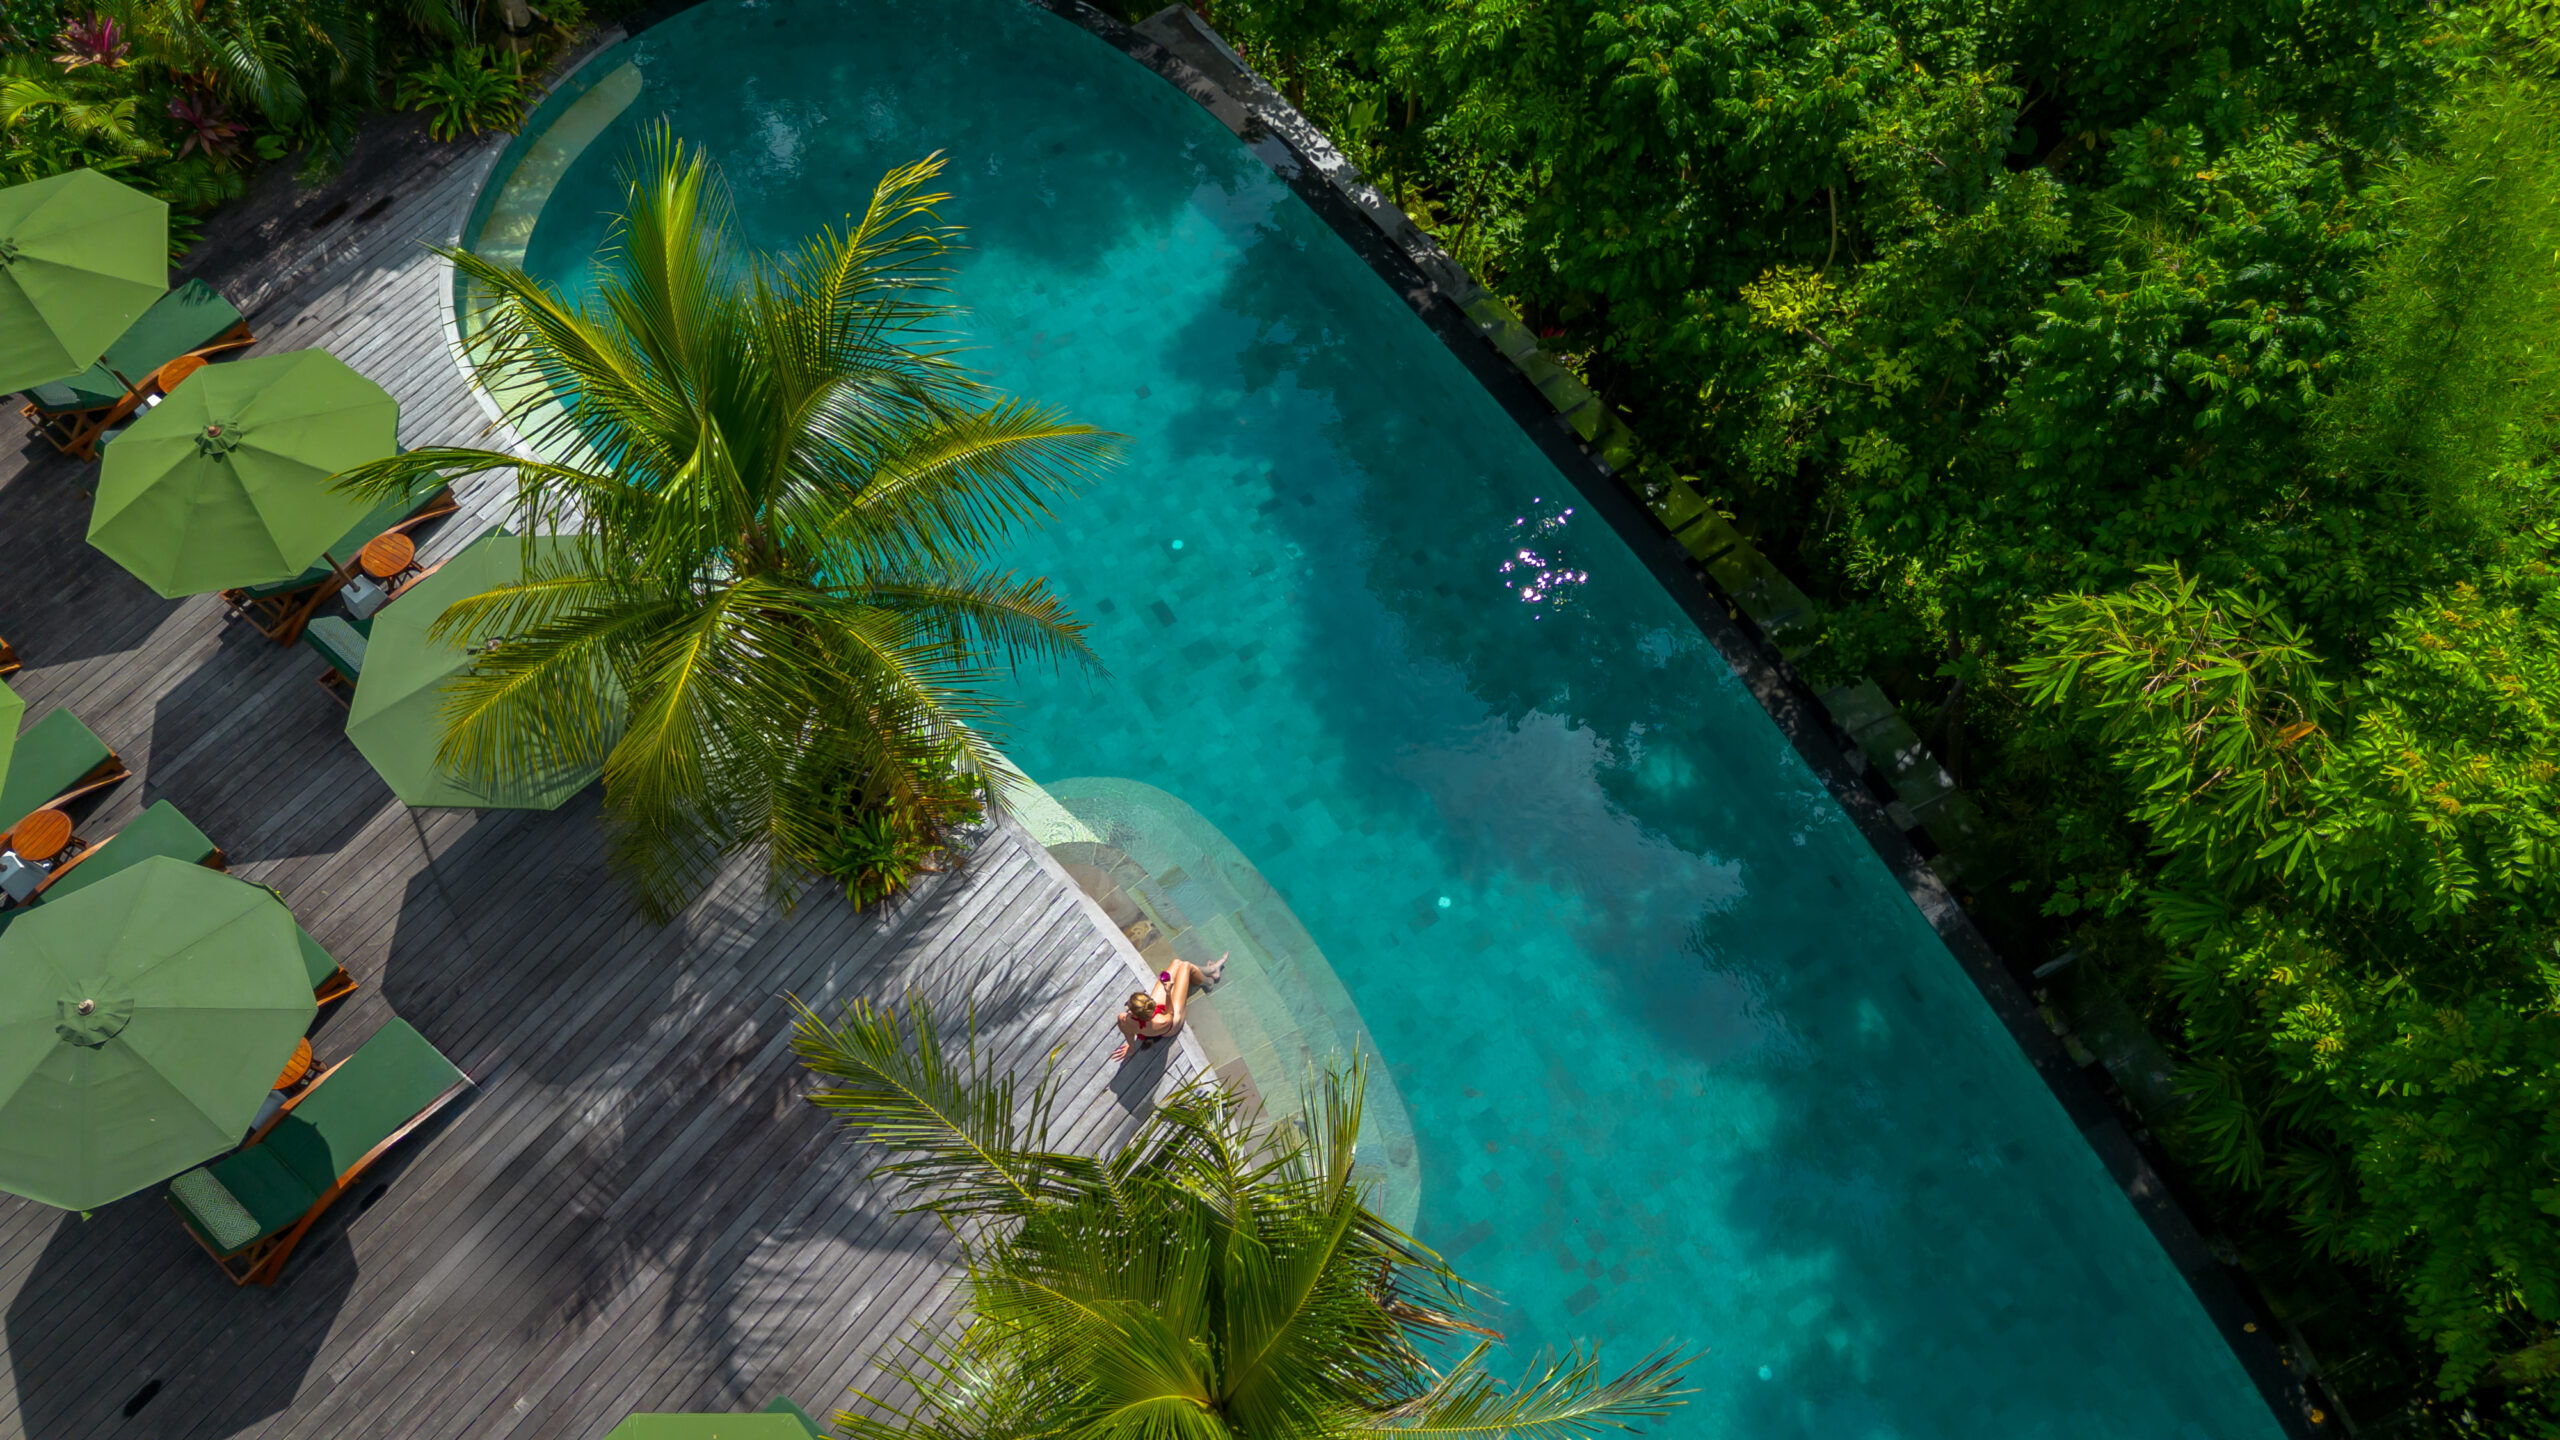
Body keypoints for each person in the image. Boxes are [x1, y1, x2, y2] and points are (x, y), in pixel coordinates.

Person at [1111, 953, 1227, 1060]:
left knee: (1177, 963)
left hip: (1151, 1019)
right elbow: (1170, 1013)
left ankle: (1210, 970)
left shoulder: (1123, 1019)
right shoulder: (1160, 1021)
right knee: (1186, 966)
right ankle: (1209, 981)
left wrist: (1131, 1048)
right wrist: (1168, 992)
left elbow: (1128, 1034)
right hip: (1172, 1024)